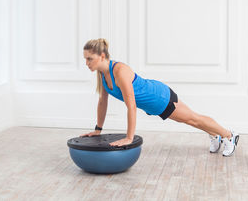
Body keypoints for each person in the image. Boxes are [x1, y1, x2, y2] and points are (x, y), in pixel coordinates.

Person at [80, 38, 239, 157]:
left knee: (192, 119)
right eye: (85, 59)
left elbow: (131, 106)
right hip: (152, 103)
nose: (86, 63)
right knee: (188, 119)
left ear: (101, 56)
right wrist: (97, 130)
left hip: (158, 97)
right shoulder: (102, 74)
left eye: (89, 59)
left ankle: (229, 136)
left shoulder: (120, 71)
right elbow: (102, 102)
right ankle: (215, 135)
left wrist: (129, 138)